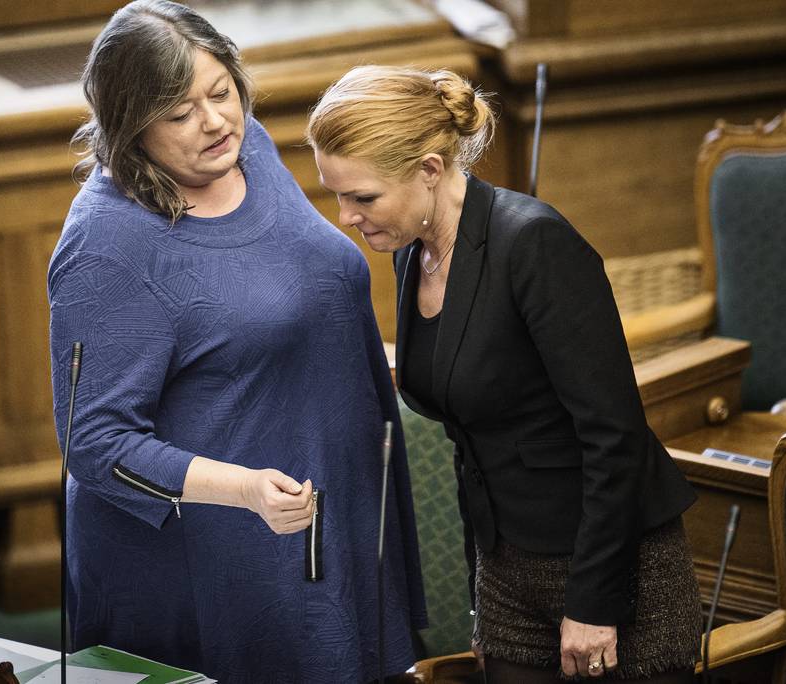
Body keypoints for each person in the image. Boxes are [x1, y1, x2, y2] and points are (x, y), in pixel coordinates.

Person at [48, 5, 427, 681]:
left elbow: (292, 293)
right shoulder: (106, 248)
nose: (215, 121)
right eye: (179, 112)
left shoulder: (243, 148)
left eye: (221, 92)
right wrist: (245, 490)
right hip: (227, 559)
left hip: (332, 504)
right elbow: (94, 444)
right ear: (130, 126)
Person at [308, 66, 702, 683]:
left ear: (429, 169)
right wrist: (481, 588)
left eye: (363, 197)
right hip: (506, 567)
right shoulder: (412, 252)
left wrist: (594, 603)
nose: (345, 217)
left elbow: (616, 436)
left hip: (611, 567)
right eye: (337, 196)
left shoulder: (534, 242)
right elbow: (471, 436)